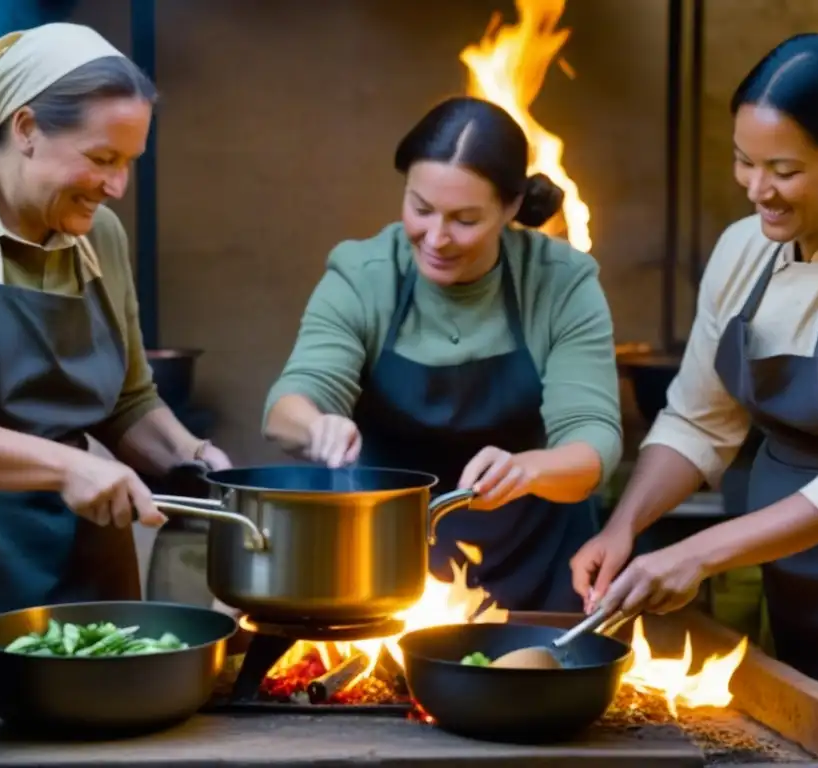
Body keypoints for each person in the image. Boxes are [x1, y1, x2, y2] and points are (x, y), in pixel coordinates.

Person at [0, 21, 233, 636]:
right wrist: (69, 468)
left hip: (81, 583)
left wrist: (199, 461)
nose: (116, 186)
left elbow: (130, 400)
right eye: (101, 158)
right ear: (26, 129)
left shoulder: (99, 236)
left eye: (130, 162)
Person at [570, 33, 818, 711]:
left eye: (784, 170)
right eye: (745, 162)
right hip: (789, 551)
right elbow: (698, 420)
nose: (757, 189)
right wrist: (623, 526)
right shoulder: (745, 250)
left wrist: (700, 553)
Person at [263, 97, 622, 612]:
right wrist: (316, 426)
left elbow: (593, 441)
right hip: (382, 575)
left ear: (512, 207)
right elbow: (287, 407)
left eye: (464, 220)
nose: (435, 238)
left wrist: (529, 470)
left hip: (539, 574)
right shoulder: (363, 274)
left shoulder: (561, 282)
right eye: (420, 208)